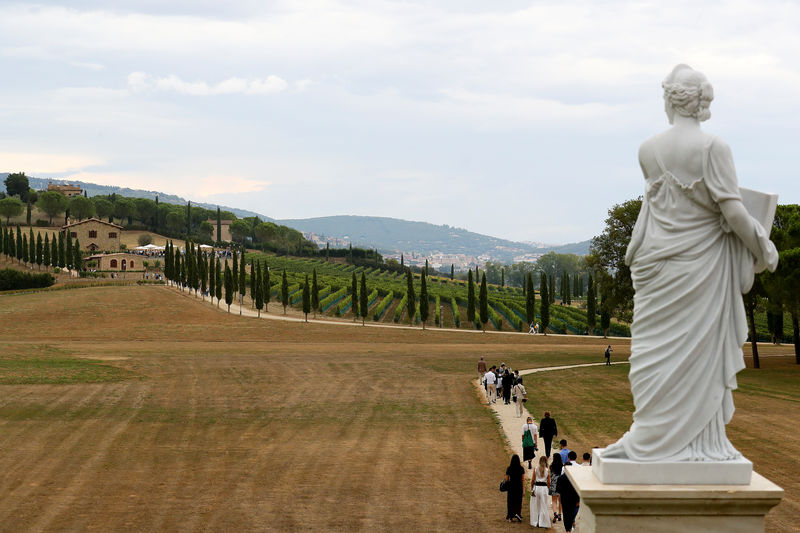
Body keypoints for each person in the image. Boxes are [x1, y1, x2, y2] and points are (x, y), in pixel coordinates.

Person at [602, 65, 778, 463]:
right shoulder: (713, 148)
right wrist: (764, 247)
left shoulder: (648, 149)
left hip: (657, 268)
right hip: (699, 271)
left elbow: (653, 210)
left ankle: (658, 438)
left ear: (670, 99)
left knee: (651, 354)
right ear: (701, 103)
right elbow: (733, 213)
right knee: (694, 356)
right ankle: (691, 443)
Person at [529, 456, 551, 528]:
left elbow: (533, 480)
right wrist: (548, 488)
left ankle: (535, 521)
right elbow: (548, 482)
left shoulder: (535, 469)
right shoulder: (547, 470)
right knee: (543, 505)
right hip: (544, 488)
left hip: (537, 487)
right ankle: (542, 522)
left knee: (535, 505)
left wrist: (532, 488)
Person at [556, 467, 580, 532]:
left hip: (565, 499)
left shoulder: (560, 478)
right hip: (574, 498)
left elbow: (558, 491)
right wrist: (578, 500)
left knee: (566, 515)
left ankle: (567, 529)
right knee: (573, 512)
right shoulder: (575, 478)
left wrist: (559, 498)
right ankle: (571, 522)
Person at [504, 454, 525, 522]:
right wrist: (524, 489)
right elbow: (523, 479)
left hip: (511, 486)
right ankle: (518, 513)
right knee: (518, 501)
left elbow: (507, 479)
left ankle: (510, 516)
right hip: (519, 486)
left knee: (510, 501)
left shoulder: (509, 468)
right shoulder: (521, 468)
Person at [549, 453, 563, 523]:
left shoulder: (551, 466)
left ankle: (555, 513)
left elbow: (549, 475)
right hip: (561, 484)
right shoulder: (562, 466)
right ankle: (560, 514)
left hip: (553, 484)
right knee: (560, 501)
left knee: (554, 500)